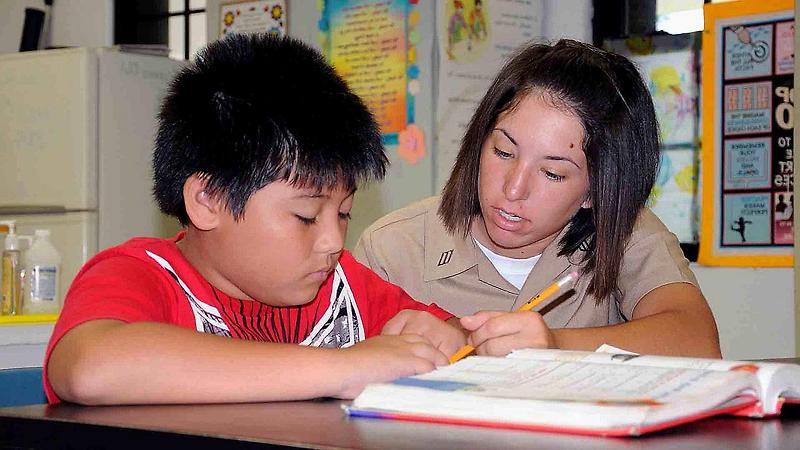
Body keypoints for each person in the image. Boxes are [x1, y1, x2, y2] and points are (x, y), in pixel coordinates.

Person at [44, 34, 466, 406]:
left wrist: (456, 341)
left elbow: (448, 337)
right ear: (208, 200)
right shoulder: (139, 274)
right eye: (305, 216)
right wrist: (341, 367)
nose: (333, 241)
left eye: (343, 214)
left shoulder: (342, 287)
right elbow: (89, 368)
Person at [355, 39, 721, 358]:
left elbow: (696, 341)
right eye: (502, 152)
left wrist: (556, 347)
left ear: (595, 192)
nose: (513, 189)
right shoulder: (392, 248)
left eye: (552, 173)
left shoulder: (622, 230)